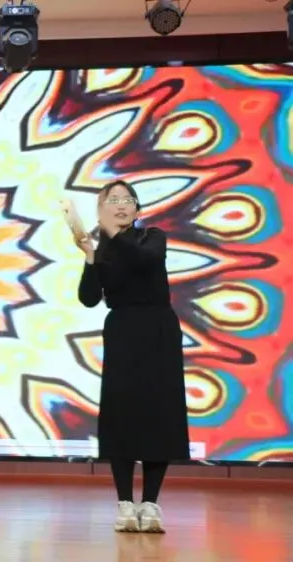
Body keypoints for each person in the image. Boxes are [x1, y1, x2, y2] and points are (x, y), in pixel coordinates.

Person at [75, 180, 190, 533]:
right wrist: (90, 255)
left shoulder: (152, 237)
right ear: (101, 209)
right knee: (122, 414)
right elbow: (88, 298)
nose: (121, 205)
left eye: (128, 200)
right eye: (113, 200)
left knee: (160, 414)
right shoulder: (103, 249)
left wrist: (110, 234)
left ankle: (150, 504)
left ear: (138, 209)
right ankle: (125, 503)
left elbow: (145, 260)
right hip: (122, 330)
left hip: (159, 329)